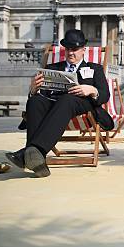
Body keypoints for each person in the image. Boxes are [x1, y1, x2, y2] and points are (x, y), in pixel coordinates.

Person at [6, 29, 113, 177]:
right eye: (68, 49)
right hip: (54, 104)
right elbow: (40, 95)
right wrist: (33, 90)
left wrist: (92, 89)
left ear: (84, 50)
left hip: (83, 105)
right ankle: (38, 160)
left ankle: (29, 151)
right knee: (36, 101)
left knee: (67, 99)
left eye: (75, 49)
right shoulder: (52, 68)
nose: (71, 53)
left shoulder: (95, 69)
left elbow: (105, 95)